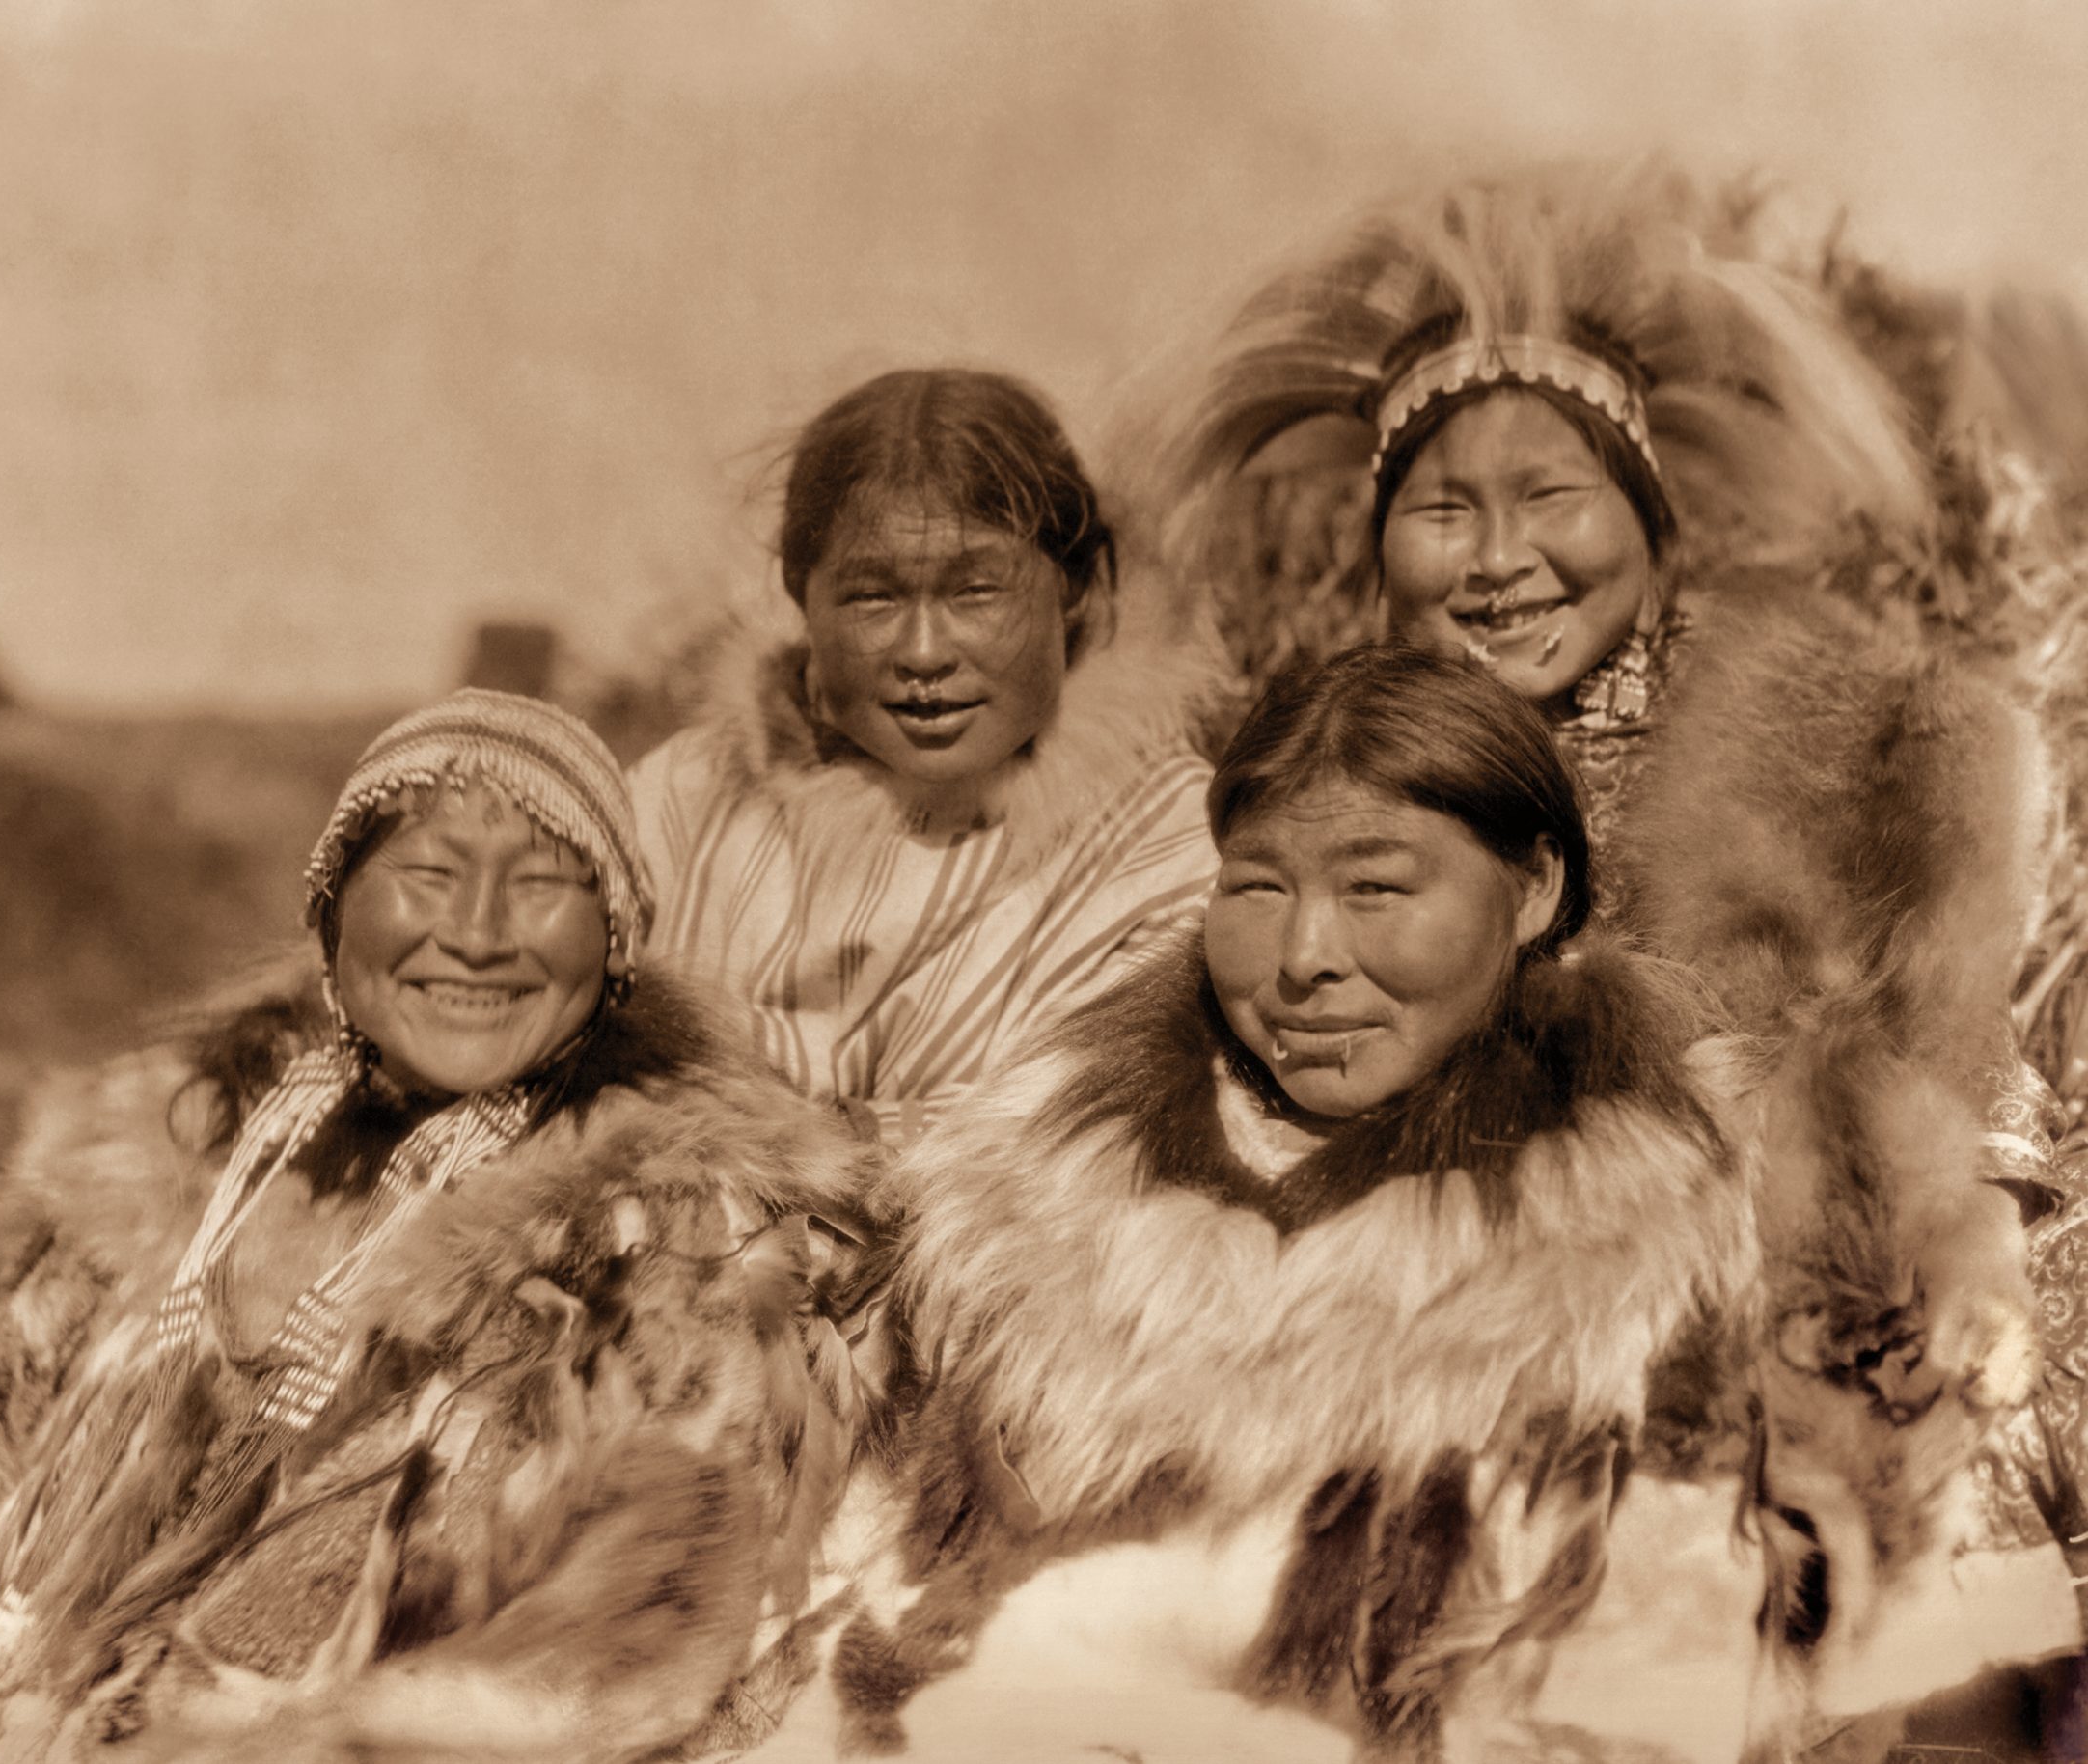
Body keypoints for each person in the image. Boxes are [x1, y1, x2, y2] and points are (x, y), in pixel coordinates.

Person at [1146, 165, 2080, 1644]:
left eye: (1553, 499)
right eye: (1444, 510)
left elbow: (1954, 1060)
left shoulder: (1841, 743)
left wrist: (1943, 1271)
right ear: (1381, 546)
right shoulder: (1312, 767)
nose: (1500, 558)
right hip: (1431, 1384)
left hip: (1798, 1369)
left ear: (1647, 520)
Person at [0, 691, 884, 1764]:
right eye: (428, 874)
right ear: (335, 909)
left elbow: (637, 1631)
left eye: (541, 886)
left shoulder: (674, 1242)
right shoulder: (174, 1158)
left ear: (615, 941)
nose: (477, 934)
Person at [806, 647, 1765, 1760]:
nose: (1306, 957)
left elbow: (1680, 1666)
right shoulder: (1016, 1205)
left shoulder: (1666, 1240)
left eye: (1376, 889)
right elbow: (856, 1567)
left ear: (1534, 888)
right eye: (1256, 887)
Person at [629, 368, 1224, 1149]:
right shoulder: (685, 796)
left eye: (976, 591)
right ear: (800, 595)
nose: (922, 652)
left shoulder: (1173, 841)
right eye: (872, 597)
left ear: (1072, 588)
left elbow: (1073, 1130)